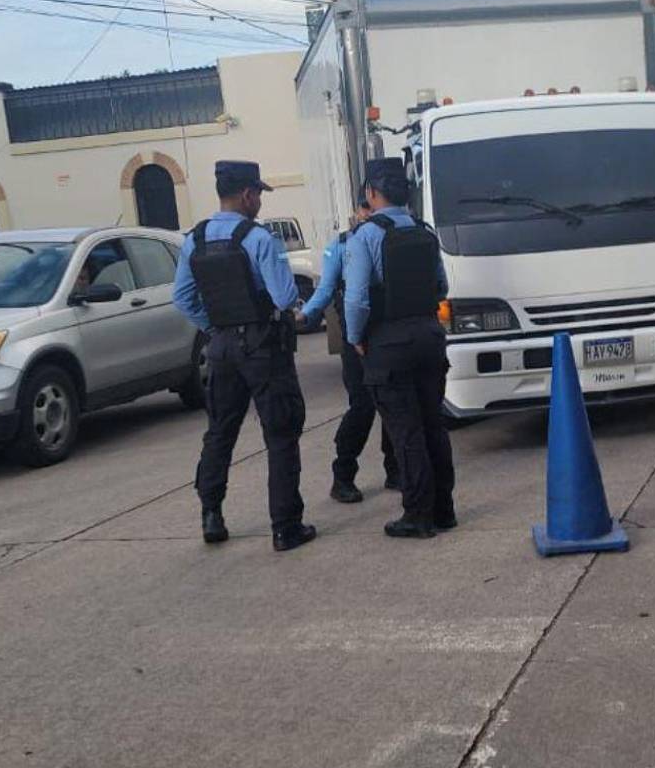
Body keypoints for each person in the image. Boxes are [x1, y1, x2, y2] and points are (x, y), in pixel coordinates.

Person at [172, 160, 316, 550]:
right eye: (259, 196)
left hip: (220, 348)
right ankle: (286, 527)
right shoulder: (258, 238)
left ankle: (211, 514)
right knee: (281, 432)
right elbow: (285, 297)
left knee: (220, 430)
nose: (260, 204)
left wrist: (215, 326)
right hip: (263, 346)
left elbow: (182, 298)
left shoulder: (194, 239)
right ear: (248, 195)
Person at [343, 158, 455, 539]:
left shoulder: (365, 236)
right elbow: (441, 286)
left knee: (406, 431)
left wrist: (356, 337)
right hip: (428, 335)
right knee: (433, 425)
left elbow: (356, 299)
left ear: (372, 194)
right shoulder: (424, 232)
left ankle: (417, 515)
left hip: (389, 342)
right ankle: (444, 510)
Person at [296, 200, 400, 503]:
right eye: (364, 209)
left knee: (391, 405)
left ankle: (395, 469)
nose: (368, 215)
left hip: (384, 336)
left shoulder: (389, 238)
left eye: (372, 209)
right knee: (363, 406)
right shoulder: (341, 246)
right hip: (355, 342)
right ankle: (343, 475)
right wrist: (306, 314)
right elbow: (326, 289)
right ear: (356, 210)